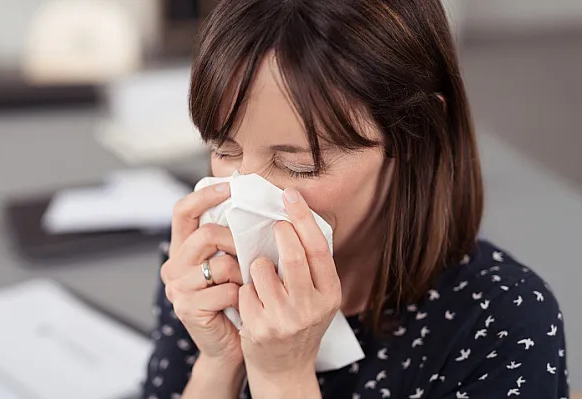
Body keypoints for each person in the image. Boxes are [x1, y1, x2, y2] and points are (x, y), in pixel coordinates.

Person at [143, 0, 569, 398]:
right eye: (225, 150)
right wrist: (219, 362)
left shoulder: (501, 320)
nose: (245, 195)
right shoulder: (205, 258)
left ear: (415, 135)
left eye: (301, 166)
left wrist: (282, 376)